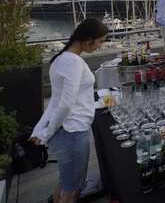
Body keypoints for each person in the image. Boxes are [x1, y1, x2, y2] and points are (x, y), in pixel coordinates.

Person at [30, 19, 109, 203]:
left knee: (67, 182)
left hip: (69, 129)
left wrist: (40, 130)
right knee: (72, 191)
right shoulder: (72, 62)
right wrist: (45, 133)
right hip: (72, 131)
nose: (100, 46)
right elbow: (64, 103)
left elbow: (55, 101)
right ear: (88, 39)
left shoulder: (61, 58)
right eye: (100, 41)